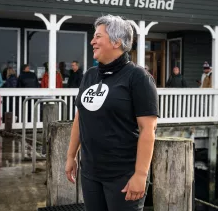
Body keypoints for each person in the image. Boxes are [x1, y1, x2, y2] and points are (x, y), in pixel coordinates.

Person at [65, 15, 158, 211]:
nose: (92, 41)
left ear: (116, 41)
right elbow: (80, 118)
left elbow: (147, 129)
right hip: (90, 172)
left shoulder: (138, 77)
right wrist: (71, 156)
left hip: (123, 176)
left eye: (98, 36)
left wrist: (140, 175)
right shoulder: (90, 75)